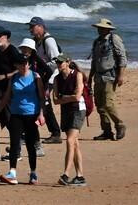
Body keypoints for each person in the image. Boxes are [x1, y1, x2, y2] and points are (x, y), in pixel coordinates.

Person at [0, 51, 44, 184]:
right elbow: (7, 96)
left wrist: (41, 114)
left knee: (30, 144)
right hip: (16, 114)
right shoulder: (14, 78)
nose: (24, 66)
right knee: (14, 143)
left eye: (26, 64)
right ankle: (12, 173)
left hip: (31, 114)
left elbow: (42, 97)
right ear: (16, 65)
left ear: (29, 64)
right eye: (21, 64)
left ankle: (33, 173)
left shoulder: (36, 77)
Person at [0, 26, 25, 158]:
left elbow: (23, 67)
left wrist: (5, 76)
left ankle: (16, 151)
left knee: (9, 121)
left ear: (6, 37)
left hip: (9, 92)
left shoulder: (13, 51)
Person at [88, 17, 127, 141]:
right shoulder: (97, 42)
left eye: (102, 28)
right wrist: (90, 77)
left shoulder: (114, 39)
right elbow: (94, 61)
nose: (99, 30)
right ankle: (106, 131)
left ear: (108, 29)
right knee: (100, 106)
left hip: (110, 76)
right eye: (99, 28)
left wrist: (121, 75)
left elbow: (122, 57)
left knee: (108, 104)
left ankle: (120, 125)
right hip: (98, 77)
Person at [52, 54, 88, 186]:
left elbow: (77, 97)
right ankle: (80, 176)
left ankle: (66, 174)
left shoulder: (77, 75)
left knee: (70, 140)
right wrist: (68, 97)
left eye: (61, 62)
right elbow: (55, 100)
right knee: (75, 143)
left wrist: (64, 97)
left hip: (78, 110)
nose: (59, 64)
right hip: (66, 111)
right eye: (57, 62)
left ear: (68, 62)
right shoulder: (57, 79)